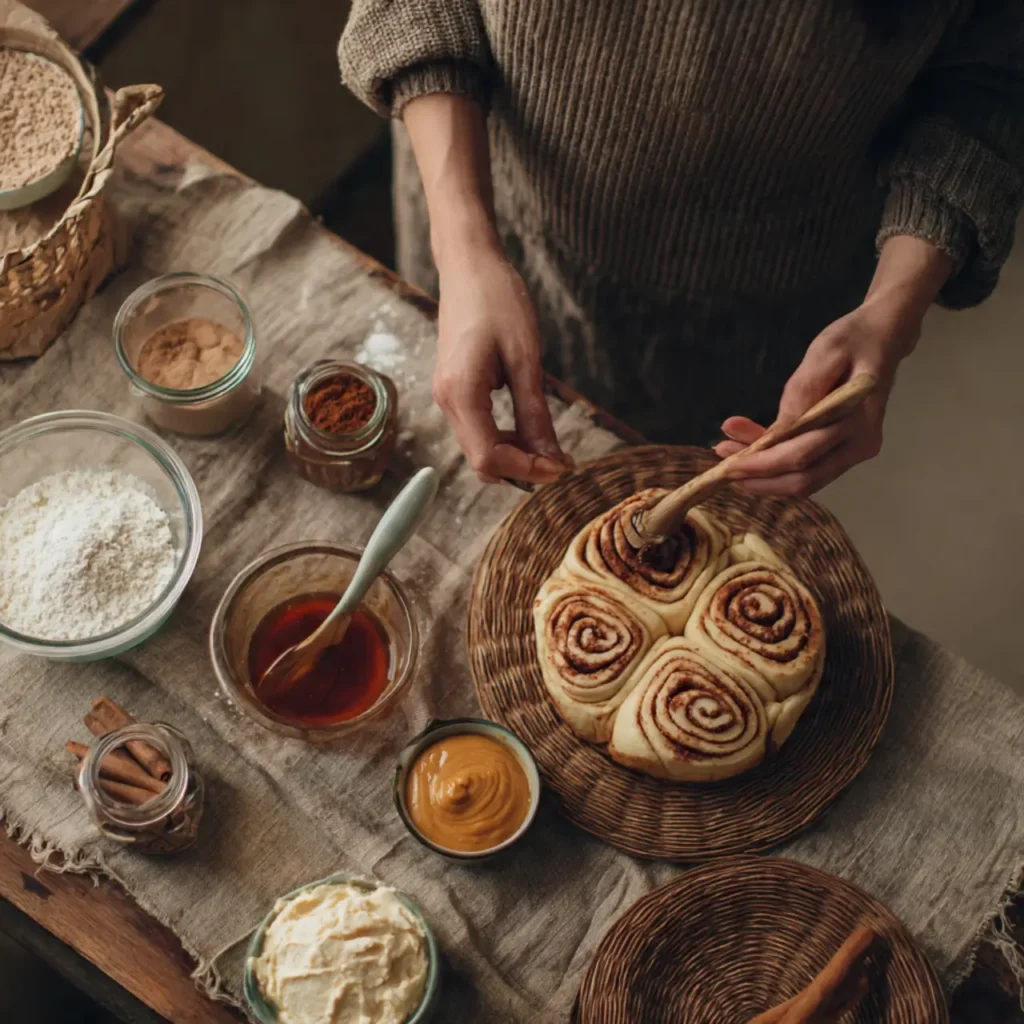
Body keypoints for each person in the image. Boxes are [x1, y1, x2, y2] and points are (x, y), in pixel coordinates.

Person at [339, 1, 1024, 493]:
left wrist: (891, 315)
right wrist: (464, 249)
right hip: (483, 212)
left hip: (755, 311)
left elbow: (993, 82)